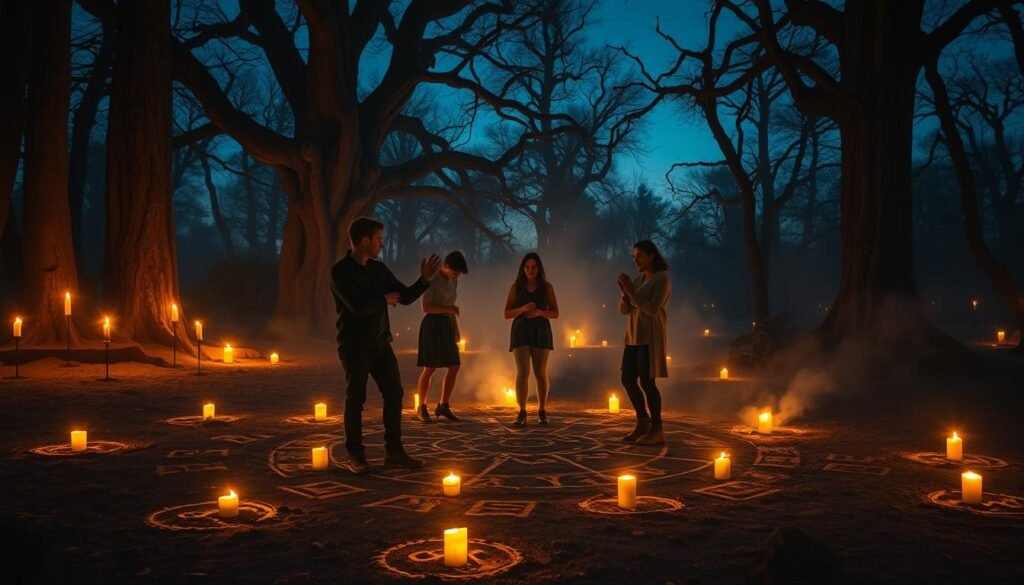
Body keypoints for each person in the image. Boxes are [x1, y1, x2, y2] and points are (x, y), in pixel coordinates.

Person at [330, 217, 441, 473]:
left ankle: (394, 451)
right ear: (365, 240)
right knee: (355, 398)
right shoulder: (340, 272)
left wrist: (423, 281)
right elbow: (357, 307)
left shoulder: (379, 270)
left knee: (394, 393)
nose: (382, 243)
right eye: (379, 238)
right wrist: (383, 299)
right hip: (354, 345)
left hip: (380, 343)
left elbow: (404, 297)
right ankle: (356, 455)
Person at [617, 240, 671, 446]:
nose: (635, 260)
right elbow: (624, 311)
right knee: (627, 379)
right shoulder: (639, 280)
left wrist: (631, 291)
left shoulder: (662, 279)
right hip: (632, 337)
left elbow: (652, 309)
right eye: (634, 256)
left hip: (649, 337)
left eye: (639, 256)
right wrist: (625, 293)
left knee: (648, 383)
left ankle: (657, 429)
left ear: (652, 256)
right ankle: (642, 421)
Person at [504, 253, 559, 426]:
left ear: (539, 268)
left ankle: (542, 410)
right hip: (520, 332)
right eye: (527, 267)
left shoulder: (547, 287)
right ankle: (522, 412)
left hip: (541, 331)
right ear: (522, 268)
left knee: (540, 373)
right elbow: (506, 313)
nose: (530, 270)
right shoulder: (516, 288)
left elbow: (556, 313)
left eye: (534, 267)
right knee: (522, 373)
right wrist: (522, 309)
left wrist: (540, 312)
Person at [415, 251, 470, 422]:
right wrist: (449, 310)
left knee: (454, 366)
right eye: (455, 272)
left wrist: (456, 329)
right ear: (445, 266)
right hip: (432, 325)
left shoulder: (454, 281)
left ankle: (443, 405)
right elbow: (426, 307)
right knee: (430, 368)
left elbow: (451, 305)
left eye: (459, 274)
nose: (457, 276)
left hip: (447, 325)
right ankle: (421, 407)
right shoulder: (433, 280)